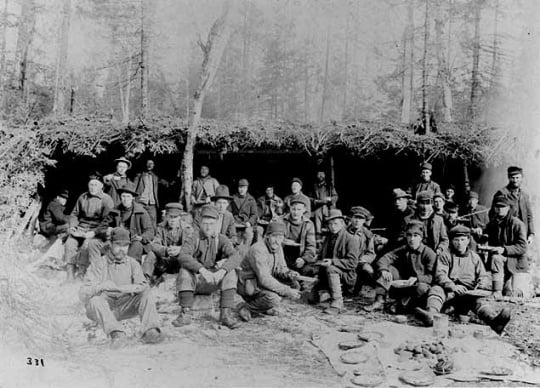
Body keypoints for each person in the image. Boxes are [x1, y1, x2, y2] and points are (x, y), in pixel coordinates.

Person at [415, 225, 511, 335]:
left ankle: (494, 321)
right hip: (449, 292)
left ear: (468, 241)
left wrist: (481, 282)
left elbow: (483, 275)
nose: (459, 243)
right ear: (451, 241)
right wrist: (452, 286)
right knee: (436, 289)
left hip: (467, 293)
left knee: (478, 302)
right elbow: (440, 275)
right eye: (456, 240)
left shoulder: (474, 257)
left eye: (462, 240)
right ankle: (431, 315)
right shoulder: (445, 255)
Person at [79, 227, 162, 346]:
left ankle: (151, 331)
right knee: (95, 300)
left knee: (146, 296)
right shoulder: (99, 264)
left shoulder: (133, 264)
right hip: (104, 308)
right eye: (118, 245)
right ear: (110, 244)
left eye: (125, 246)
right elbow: (82, 294)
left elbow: (143, 286)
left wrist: (122, 288)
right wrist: (101, 286)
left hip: (124, 306)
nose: (121, 249)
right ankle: (117, 333)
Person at [172, 205, 242, 329]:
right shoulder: (194, 237)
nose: (208, 227)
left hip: (214, 280)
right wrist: (202, 270)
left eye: (211, 223)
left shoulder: (222, 239)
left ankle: (225, 314)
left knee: (231, 272)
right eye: (205, 223)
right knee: (184, 271)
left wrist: (222, 271)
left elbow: (236, 257)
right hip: (197, 282)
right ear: (200, 223)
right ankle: (185, 313)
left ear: (216, 224)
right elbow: (183, 255)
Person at [365, 221, 436, 313]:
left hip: (419, 286)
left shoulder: (429, 253)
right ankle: (379, 301)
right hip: (404, 284)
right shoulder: (404, 249)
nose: (412, 239)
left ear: (421, 238)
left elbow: (432, 276)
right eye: (409, 235)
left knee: (421, 288)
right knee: (388, 269)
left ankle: (402, 306)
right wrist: (384, 270)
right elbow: (384, 259)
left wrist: (417, 279)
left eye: (415, 236)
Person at [237, 221, 302, 321]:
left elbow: (280, 268)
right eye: (274, 236)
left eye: (280, 237)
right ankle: (247, 307)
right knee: (274, 298)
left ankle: (263, 307)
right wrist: (287, 290)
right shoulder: (258, 249)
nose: (277, 241)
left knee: (294, 284)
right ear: (267, 236)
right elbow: (265, 279)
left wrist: (289, 274)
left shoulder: (278, 247)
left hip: (260, 283)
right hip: (248, 285)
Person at [64, 173, 114, 281]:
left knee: (86, 245)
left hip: (96, 230)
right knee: (70, 243)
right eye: (91, 184)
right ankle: (70, 275)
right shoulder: (83, 197)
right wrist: (73, 226)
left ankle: (81, 274)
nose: (92, 187)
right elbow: (74, 214)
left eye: (95, 185)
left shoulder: (106, 199)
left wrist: (95, 232)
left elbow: (107, 221)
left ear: (101, 186)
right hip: (81, 228)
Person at [309, 209, 360, 314]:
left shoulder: (351, 239)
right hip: (326, 273)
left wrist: (332, 262)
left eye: (336, 223)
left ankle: (337, 303)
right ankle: (325, 292)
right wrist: (317, 259)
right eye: (330, 224)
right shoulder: (328, 238)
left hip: (346, 275)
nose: (333, 226)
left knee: (331, 268)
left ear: (342, 223)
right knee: (311, 298)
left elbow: (353, 263)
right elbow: (323, 254)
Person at [91, 182, 154, 263]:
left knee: (135, 248)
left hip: (132, 241)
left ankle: (129, 271)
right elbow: (102, 227)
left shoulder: (141, 212)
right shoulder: (115, 211)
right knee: (94, 244)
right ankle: (98, 270)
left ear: (132, 198)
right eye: (123, 196)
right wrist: (107, 231)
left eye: (128, 196)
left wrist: (142, 237)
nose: (125, 199)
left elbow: (150, 231)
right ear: (120, 197)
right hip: (116, 240)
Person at [483, 196, 528, 298]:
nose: (500, 209)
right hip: (502, 261)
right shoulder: (493, 223)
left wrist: (504, 249)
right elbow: (485, 236)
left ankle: (523, 289)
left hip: (516, 262)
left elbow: (523, 247)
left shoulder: (517, 224)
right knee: (495, 258)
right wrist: (480, 235)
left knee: (516, 294)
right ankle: (496, 292)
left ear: (508, 208)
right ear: (494, 208)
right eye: (497, 207)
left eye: (503, 207)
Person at [142, 203, 195, 285]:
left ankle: (183, 280)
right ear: (166, 216)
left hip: (179, 260)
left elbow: (190, 247)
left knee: (186, 258)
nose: (173, 220)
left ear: (180, 217)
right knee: (151, 254)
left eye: (175, 217)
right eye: (170, 217)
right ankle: (145, 279)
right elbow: (155, 244)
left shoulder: (187, 228)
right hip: (164, 259)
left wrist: (179, 250)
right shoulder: (160, 227)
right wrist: (166, 250)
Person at [491, 166, 535, 243]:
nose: (515, 180)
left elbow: (529, 216)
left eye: (517, 178)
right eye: (512, 178)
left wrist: (531, 233)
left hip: (522, 233)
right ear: (508, 178)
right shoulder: (502, 193)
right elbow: (493, 214)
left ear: (522, 178)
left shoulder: (524, 195)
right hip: (508, 234)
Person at [281, 196, 317, 277]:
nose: (296, 212)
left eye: (299, 209)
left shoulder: (309, 224)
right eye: (293, 209)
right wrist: (283, 241)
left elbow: (311, 246)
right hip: (283, 257)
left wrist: (304, 259)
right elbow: (272, 240)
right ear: (290, 208)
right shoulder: (282, 221)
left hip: (299, 258)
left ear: (304, 210)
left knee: (309, 271)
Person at [347, 206, 376, 291]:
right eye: (355, 217)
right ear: (351, 219)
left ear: (364, 221)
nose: (357, 221)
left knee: (369, 270)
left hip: (359, 262)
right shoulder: (343, 232)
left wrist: (363, 260)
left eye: (360, 218)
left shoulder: (368, 235)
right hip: (345, 262)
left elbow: (371, 253)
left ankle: (361, 286)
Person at [133, 159, 167, 227]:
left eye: (151, 163)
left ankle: (153, 236)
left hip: (152, 203)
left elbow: (167, 184)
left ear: (154, 165)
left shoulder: (155, 177)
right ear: (145, 165)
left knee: (153, 221)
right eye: (148, 163)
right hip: (140, 202)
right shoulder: (139, 176)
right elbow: (133, 187)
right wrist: (133, 200)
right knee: (139, 220)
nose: (149, 165)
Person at [229, 179, 258, 246]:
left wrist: (250, 222)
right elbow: (229, 212)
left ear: (247, 188)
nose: (242, 189)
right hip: (235, 223)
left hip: (246, 224)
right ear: (238, 188)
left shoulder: (251, 199)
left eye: (244, 188)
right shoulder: (233, 198)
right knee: (232, 237)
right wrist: (231, 221)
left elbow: (254, 214)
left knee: (248, 235)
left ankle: (245, 251)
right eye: (240, 187)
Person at [310, 171, 338, 237]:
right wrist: (315, 201)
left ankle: (329, 232)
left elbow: (335, 196)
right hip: (317, 207)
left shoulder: (329, 186)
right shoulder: (314, 186)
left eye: (322, 174)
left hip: (328, 208)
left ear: (325, 175)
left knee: (327, 212)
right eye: (318, 174)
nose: (320, 175)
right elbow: (309, 198)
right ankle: (318, 234)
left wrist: (330, 199)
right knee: (318, 213)